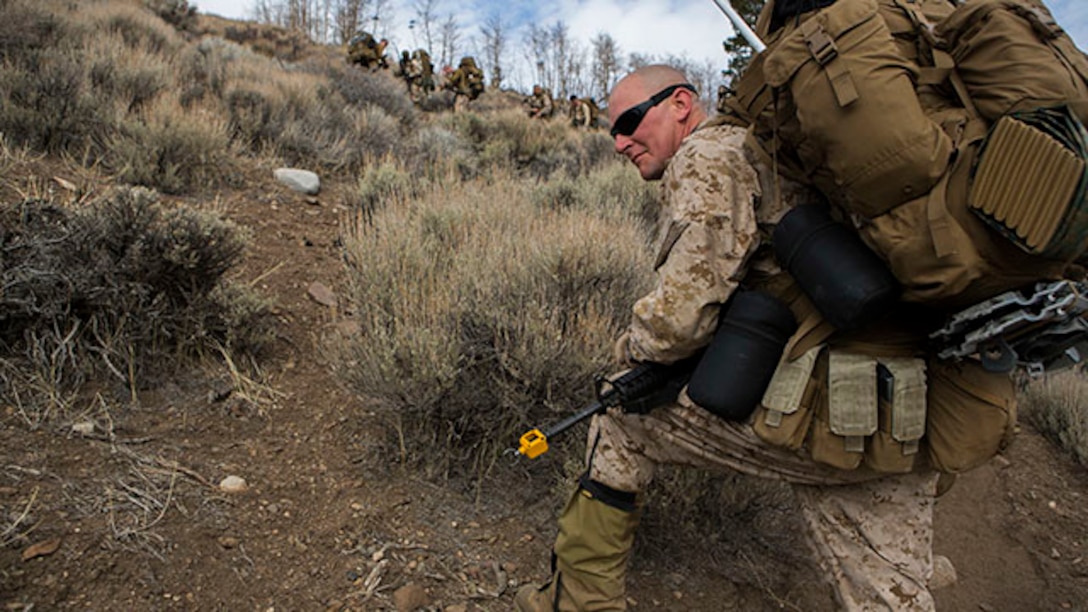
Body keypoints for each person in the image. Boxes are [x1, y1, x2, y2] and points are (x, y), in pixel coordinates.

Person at [514, 64, 1016, 611]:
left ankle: (574, 603)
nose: (618, 142)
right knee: (888, 593)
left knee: (618, 414)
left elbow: (680, 319)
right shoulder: (785, 155)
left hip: (824, 413)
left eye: (630, 120)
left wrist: (629, 353)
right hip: (906, 408)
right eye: (613, 129)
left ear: (681, 103)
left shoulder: (708, 156)